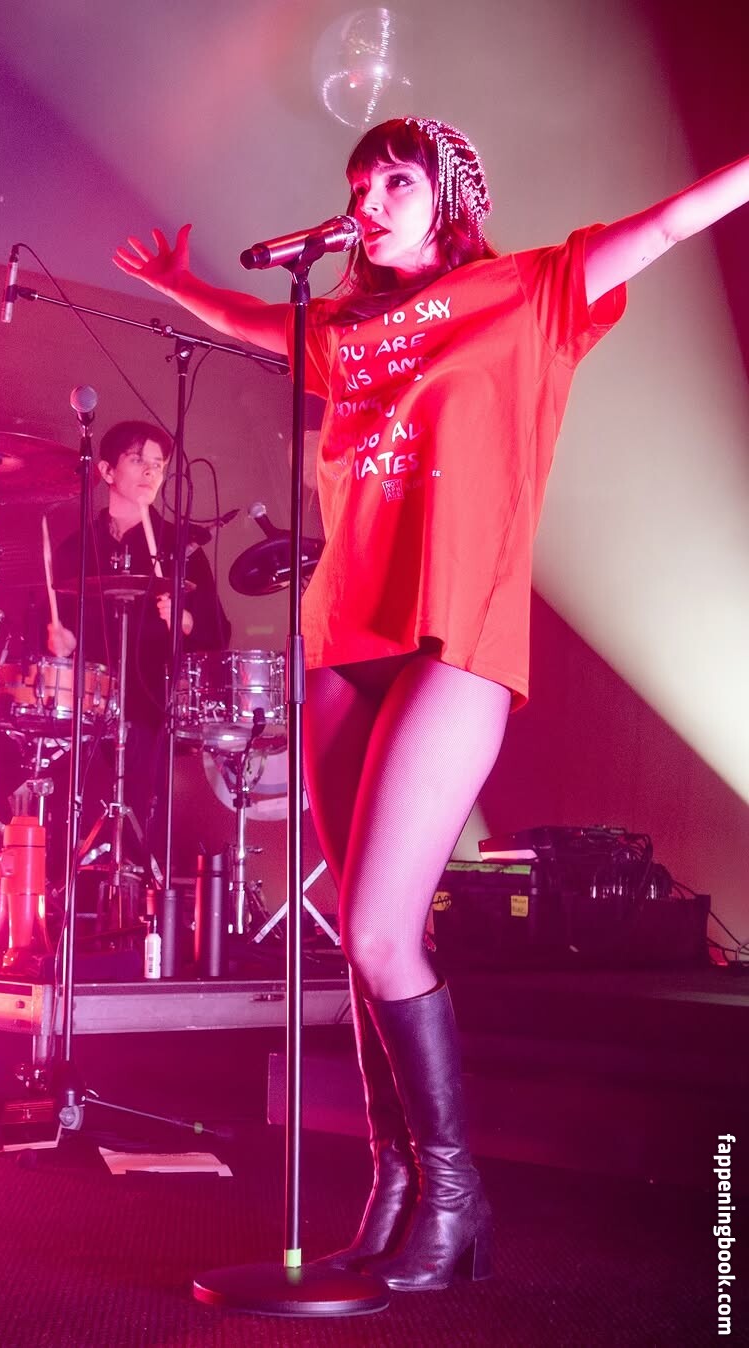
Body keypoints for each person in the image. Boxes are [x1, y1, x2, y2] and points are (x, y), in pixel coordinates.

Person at [114, 117, 749, 1291]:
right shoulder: (342, 328)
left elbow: (664, 227)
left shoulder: (525, 291)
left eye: (396, 180)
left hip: (452, 639)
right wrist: (179, 286)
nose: (369, 199)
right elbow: (256, 323)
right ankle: (394, 1192)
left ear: (449, 194)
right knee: (362, 945)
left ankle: (458, 1203)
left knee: (378, 932)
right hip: (339, 644)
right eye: (358, 183)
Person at [45, 420, 231, 871]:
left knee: (146, 797)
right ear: (107, 471)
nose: (150, 472)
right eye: (137, 460)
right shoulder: (75, 549)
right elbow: (48, 631)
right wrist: (57, 641)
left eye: (158, 464)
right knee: (64, 789)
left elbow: (218, 633)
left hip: (154, 704)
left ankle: (143, 882)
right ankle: (71, 882)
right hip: (86, 706)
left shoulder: (182, 548)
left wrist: (185, 621)